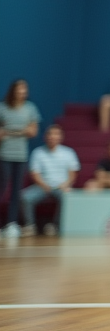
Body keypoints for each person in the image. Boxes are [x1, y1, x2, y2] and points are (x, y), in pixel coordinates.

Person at [21, 125, 78, 236]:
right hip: (42, 186)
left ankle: (54, 226)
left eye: (56, 134)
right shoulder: (38, 152)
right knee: (25, 197)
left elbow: (73, 173)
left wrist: (66, 184)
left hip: (61, 186)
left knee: (67, 197)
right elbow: (35, 173)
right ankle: (30, 225)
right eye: (50, 134)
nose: (52, 137)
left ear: (61, 137)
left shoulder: (69, 152)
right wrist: (43, 184)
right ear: (45, 136)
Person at [1, 79, 40, 237]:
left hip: (21, 156)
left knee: (16, 191)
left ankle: (11, 223)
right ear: (13, 91)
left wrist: (10, 131)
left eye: (25, 89)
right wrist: (20, 131)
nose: (22, 92)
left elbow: (33, 131)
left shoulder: (30, 108)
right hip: (4, 154)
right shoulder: (2, 107)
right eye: (20, 89)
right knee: (2, 187)